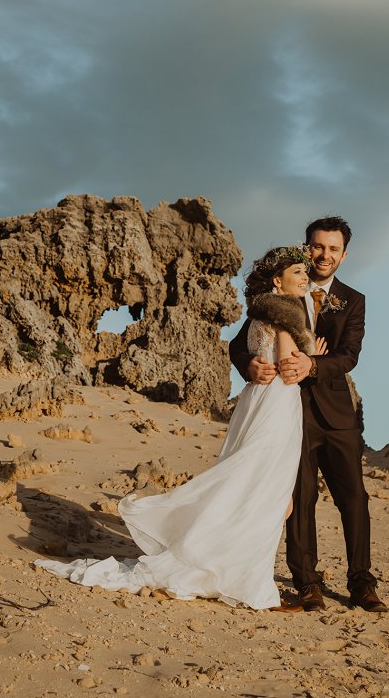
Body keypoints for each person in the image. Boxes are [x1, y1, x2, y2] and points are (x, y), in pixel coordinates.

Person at [35, 246, 323, 610]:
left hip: (256, 403)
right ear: (277, 281)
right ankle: (250, 585)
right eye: (297, 272)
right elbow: (288, 367)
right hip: (277, 408)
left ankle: (230, 569)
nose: (305, 277)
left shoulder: (258, 316)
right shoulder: (284, 316)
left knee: (258, 492)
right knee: (265, 496)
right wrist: (313, 355)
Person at [229, 217, 388, 612]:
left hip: (337, 414)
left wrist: (312, 365)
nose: (324, 255)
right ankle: (307, 583)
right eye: (318, 246)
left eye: (333, 249)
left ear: (344, 255)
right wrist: (250, 365)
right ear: (306, 247)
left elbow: (349, 355)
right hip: (288, 412)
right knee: (299, 499)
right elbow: (239, 344)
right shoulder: (283, 289)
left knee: (354, 498)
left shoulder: (353, 300)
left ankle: (362, 583)